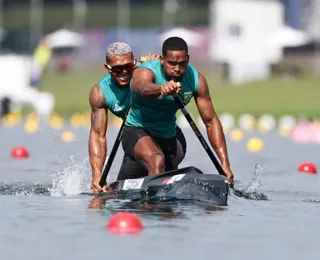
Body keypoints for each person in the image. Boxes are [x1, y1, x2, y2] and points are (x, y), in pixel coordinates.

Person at [122, 37, 234, 185]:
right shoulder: (146, 71)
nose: (177, 68)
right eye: (172, 63)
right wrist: (161, 88)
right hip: (137, 130)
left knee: (170, 160)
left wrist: (224, 163)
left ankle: (161, 197)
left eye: (182, 63)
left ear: (188, 59)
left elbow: (211, 121)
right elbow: (142, 87)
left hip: (168, 134)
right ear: (162, 60)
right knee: (156, 159)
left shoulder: (196, 80)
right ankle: (155, 205)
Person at [89, 42, 187, 193]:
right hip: (137, 137)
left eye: (128, 67)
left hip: (166, 134)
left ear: (135, 63)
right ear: (107, 68)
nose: (124, 72)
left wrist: (155, 64)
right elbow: (98, 136)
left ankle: (158, 204)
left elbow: (167, 66)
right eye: (117, 69)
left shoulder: (146, 70)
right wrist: (97, 176)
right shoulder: (100, 93)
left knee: (158, 161)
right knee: (118, 193)